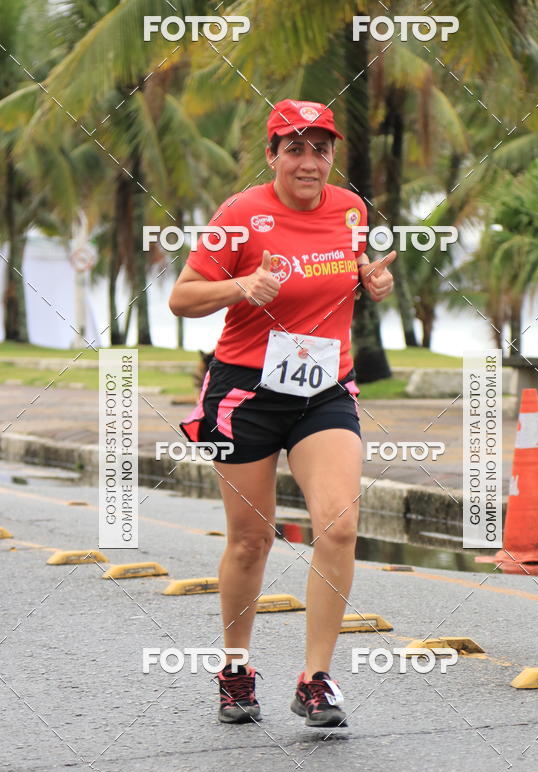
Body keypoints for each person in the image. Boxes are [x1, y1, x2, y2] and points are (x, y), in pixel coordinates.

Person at [169, 99, 395, 727]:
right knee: (251, 540)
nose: (309, 162)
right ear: (272, 155)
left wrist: (371, 282)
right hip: (246, 391)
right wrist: (240, 286)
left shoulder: (351, 210)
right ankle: (236, 669)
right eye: (294, 148)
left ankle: (315, 680)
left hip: (324, 388)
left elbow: (348, 272)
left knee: (339, 527)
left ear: (333, 155)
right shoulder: (241, 214)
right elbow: (182, 297)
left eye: (321, 149)